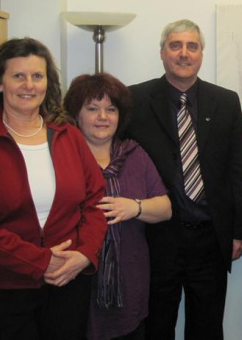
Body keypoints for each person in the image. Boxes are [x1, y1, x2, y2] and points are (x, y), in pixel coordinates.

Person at [125, 19, 242, 339]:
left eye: (192, 46)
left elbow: (238, 168)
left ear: (201, 53)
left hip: (210, 237)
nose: (184, 53)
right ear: (162, 53)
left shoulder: (225, 101)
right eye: (175, 45)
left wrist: (238, 230)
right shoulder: (134, 100)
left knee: (207, 328)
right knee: (156, 325)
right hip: (156, 237)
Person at [0, 38, 107, 340]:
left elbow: (95, 201)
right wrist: (40, 261)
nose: (29, 85)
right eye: (18, 75)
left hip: (68, 281)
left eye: (37, 76)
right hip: (7, 287)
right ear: (0, 83)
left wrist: (85, 254)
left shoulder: (67, 135)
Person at [63, 73, 172, 340]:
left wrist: (133, 207)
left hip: (129, 280)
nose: (102, 117)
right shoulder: (63, 155)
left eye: (110, 109)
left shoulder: (134, 154)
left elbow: (166, 207)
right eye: (92, 108)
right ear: (77, 115)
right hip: (77, 281)